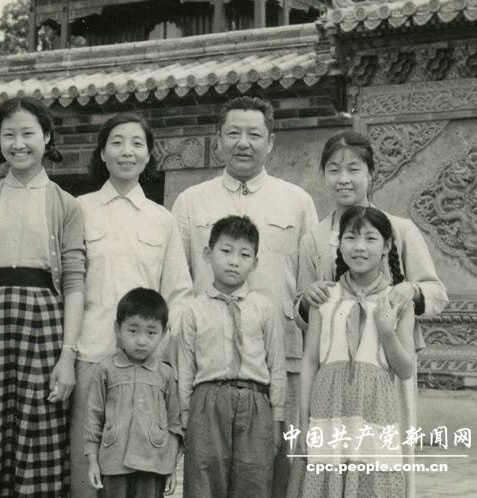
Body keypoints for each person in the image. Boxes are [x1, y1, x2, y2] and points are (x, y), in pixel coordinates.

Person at [171, 96, 317, 494]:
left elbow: (309, 286)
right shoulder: (190, 202)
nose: (243, 143)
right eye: (233, 133)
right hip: (208, 368)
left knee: (274, 473)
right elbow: (177, 282)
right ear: (218, 140)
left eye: (254, 134)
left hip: (280, 358)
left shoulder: (298, 202)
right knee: (207, 476)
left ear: (271, 142)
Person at [292, 130, 448, 498]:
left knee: (385, 459)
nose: (343, 179)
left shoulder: (400, 229)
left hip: (386, 367)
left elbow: (437, 292)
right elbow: (303, 308)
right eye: (333, 170)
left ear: (371, 174)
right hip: (333, 369)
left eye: (353, 169)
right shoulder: (314, 236)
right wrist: (306, 297)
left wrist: (409, 289)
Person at [0, 96, 85, 498]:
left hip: (43, 321)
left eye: (28, 133)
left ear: (46, 137)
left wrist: (68, 355)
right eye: (8, 135)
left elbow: (75, 283)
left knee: (38, 424)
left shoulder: (67, 204)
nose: (18, 143)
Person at [71, 114, 192, 498]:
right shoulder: (79, 209)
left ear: (148, 155)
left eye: (137, 143)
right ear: (102, 152)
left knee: (143, 473)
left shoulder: (162, 219)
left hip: (147, 366)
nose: (127, 151)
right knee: (86, 465)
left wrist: (164, 360)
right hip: (92, 354)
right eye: (118, 142)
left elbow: (177, 293)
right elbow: (67, 284)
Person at [299, 206, 416, 498]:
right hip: (329, 409)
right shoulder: (323, 297)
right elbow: (311, 361)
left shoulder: (398, 301)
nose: (359, 247)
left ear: (387, 245)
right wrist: (302, 420)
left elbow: (406, 369)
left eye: (370, 239)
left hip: (375, 409)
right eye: (351, 237)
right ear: (340, 243)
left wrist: (387, 332)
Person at [177, 215, 286, 498]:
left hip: (255, 402)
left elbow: (276, 365)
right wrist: (187, 417)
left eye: (244, 254)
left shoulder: (264, 308)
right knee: (203, 480)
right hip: (207, 401)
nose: (234, 261)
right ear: (208, 254)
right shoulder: (193, 309)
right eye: (226, 251)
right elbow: (186, 367)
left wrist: (277, 415)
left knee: (254, 479)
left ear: (255, 262)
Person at [84, 288, 183, 498]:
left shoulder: (165, 374)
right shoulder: (105, 370)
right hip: (113, 463)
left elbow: (175, 424)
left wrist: (170, 467)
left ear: (163, 333)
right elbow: (93, 419)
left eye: (151, 332)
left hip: (153, 466)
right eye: (133, 330)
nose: (141, 340)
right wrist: (93, 461)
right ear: (118, 329)